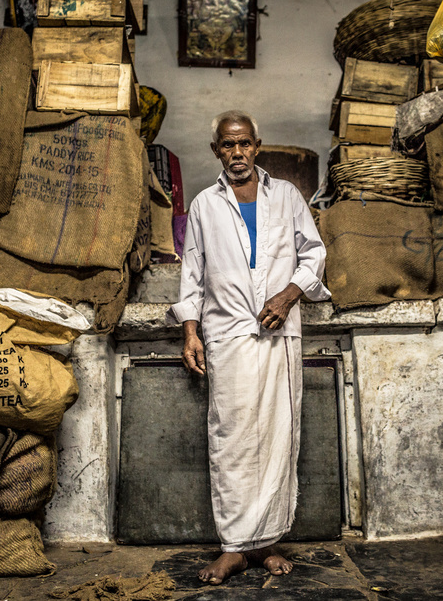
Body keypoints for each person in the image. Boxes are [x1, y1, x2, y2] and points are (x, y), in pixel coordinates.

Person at [166, 110, 331, 585]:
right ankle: (235, 547)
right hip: (229, 334)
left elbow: (314, 253)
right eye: (227, 145)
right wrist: (190, 332)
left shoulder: (287, 196)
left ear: (257, 146)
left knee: (279, 436)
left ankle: (269, 542)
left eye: (244, 144)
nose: (236, 153)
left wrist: (287, 295)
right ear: (216, 150)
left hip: (280, 332)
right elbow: (191, 277)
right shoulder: (204, 205)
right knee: (233, 438)